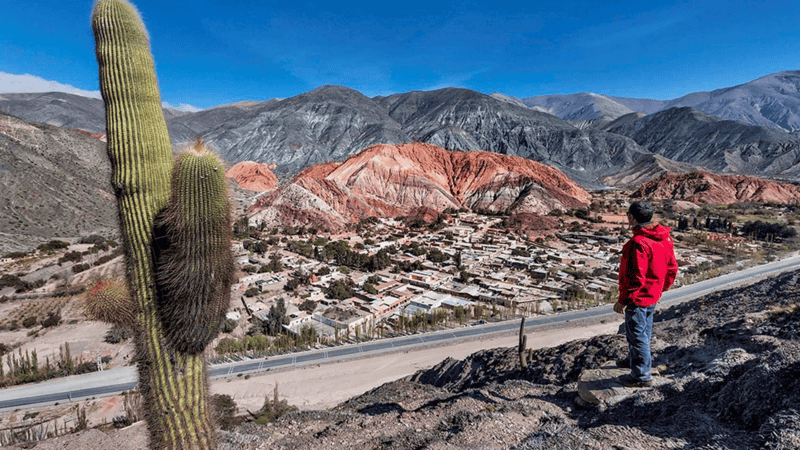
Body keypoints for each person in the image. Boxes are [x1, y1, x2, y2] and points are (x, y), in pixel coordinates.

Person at [613, 201, 678, 387]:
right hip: (652, 295)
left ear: (632, 218)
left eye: (628, 214)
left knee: (637, 335)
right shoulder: (664, 238)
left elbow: (635, 278)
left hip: (638, 299)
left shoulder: (638, 243)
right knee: (644, 332)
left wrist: (622, 300)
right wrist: (661, 287)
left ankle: (641, 376)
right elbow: (672, 268)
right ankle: (635, 361)